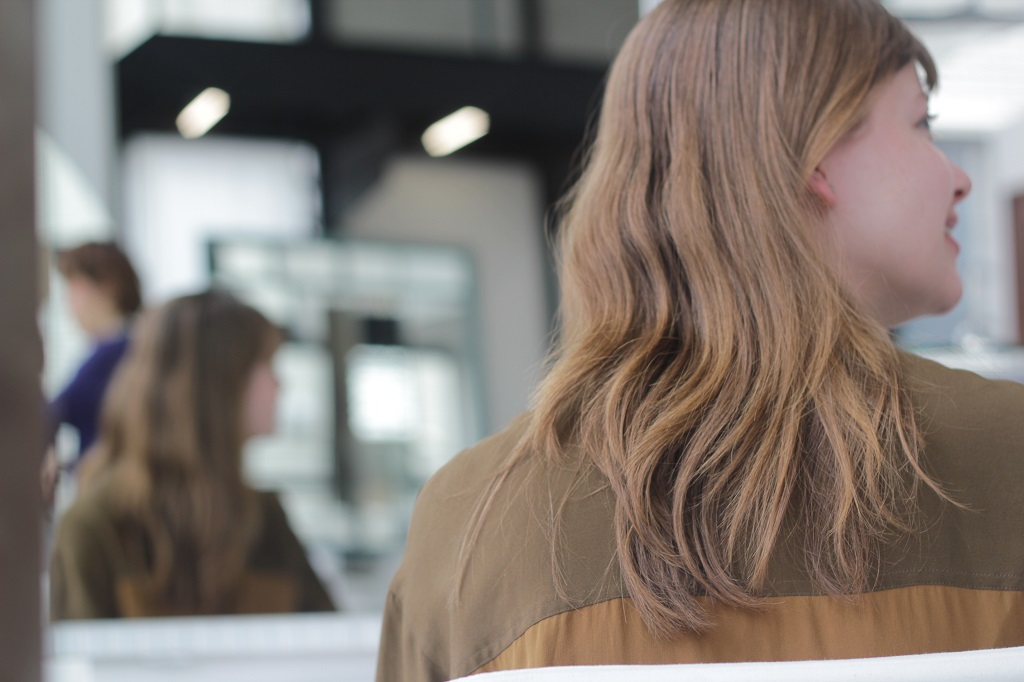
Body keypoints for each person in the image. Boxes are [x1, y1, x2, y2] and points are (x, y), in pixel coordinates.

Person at [376, 1, 1024, 680]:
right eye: (922, 122)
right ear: (817, 153)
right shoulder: (1007, 454)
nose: (959, 176)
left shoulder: (468, 526)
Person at [50, 291, 335, 619]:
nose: (279, 384)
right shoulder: (94, 530)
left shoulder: (265, 518)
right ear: (219, 383)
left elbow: (328, 645)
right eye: (266, 364)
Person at [45, 242, 141, 467]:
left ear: (107, 286)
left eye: (75, 286)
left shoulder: (116, 350)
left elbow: (57, 412)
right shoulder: (124, 345)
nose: (68, 300)